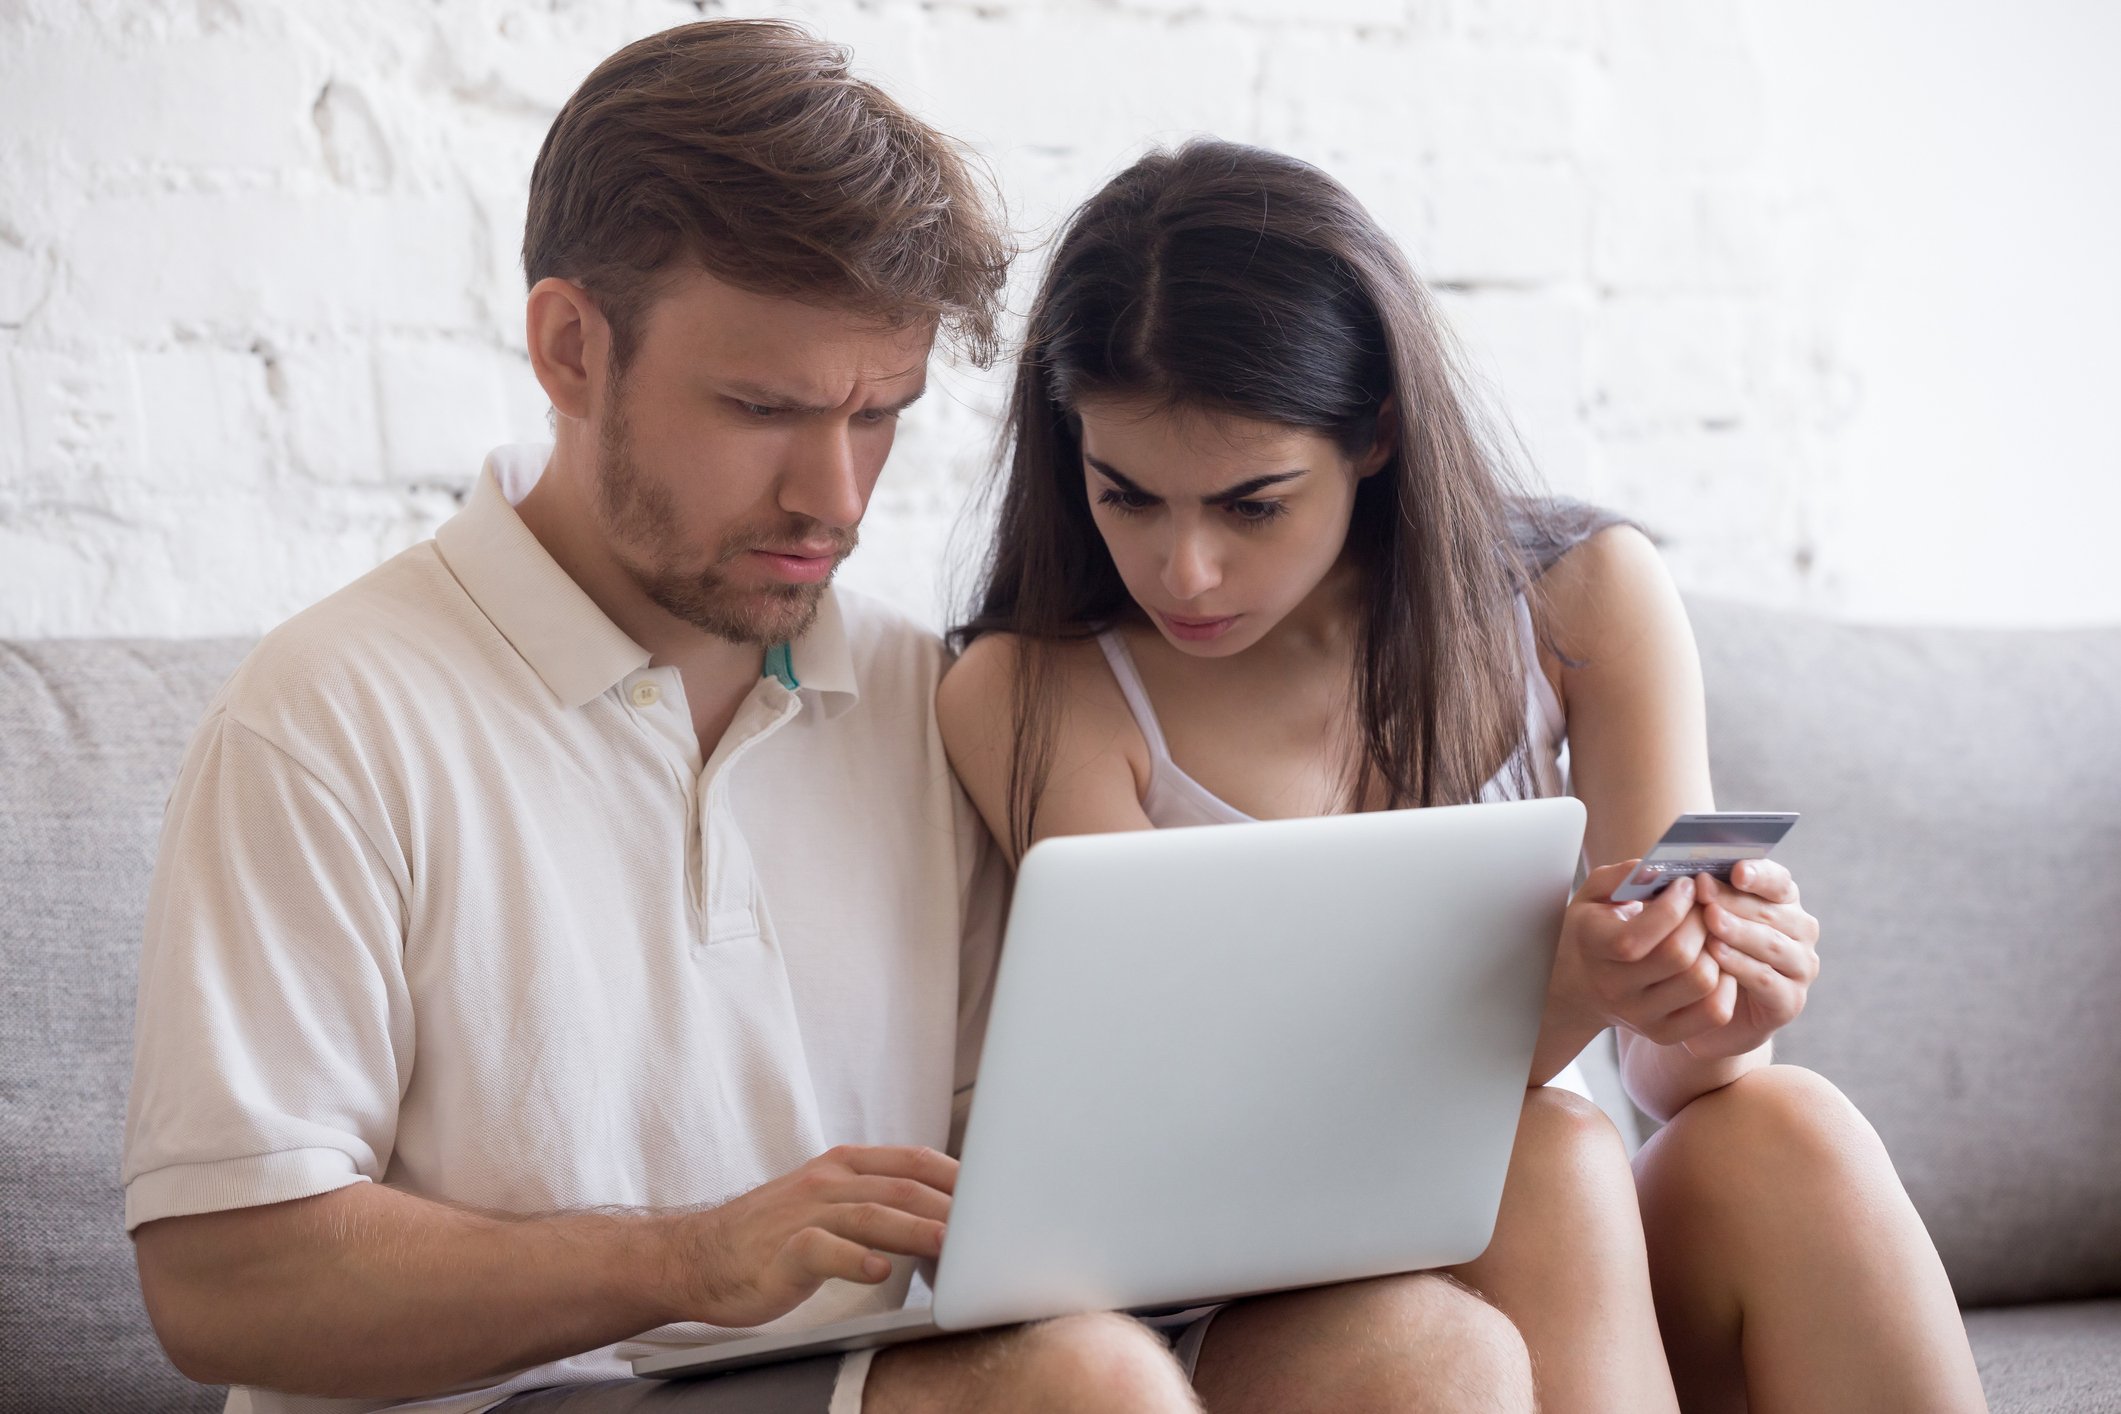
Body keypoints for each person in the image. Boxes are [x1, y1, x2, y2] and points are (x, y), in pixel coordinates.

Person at [123, 25, 1538, 1414]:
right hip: (525, 1393)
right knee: (1078, 1386)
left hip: (879, 1370)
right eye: (764, 408)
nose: (837, 497)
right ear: (569, 347)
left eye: (880, 416)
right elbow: (222, 1280)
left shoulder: (932, 702)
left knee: (1434, 1355)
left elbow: (1065, 1168)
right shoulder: (329, 717)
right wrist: (684, 1254)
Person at [938, 138, 1991, 1414]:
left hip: (1591, 1243)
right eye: (1128, 497)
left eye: (1252, 504)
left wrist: (1718, 995)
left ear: (1374, 434)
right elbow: (1196, 1153)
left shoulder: (1585, 599)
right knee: (1539, 1148)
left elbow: (1688, 1089)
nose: (1186, 571)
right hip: (1288, 1285)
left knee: (1787, 1129)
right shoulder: (1041, 693)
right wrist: (1550, 999)